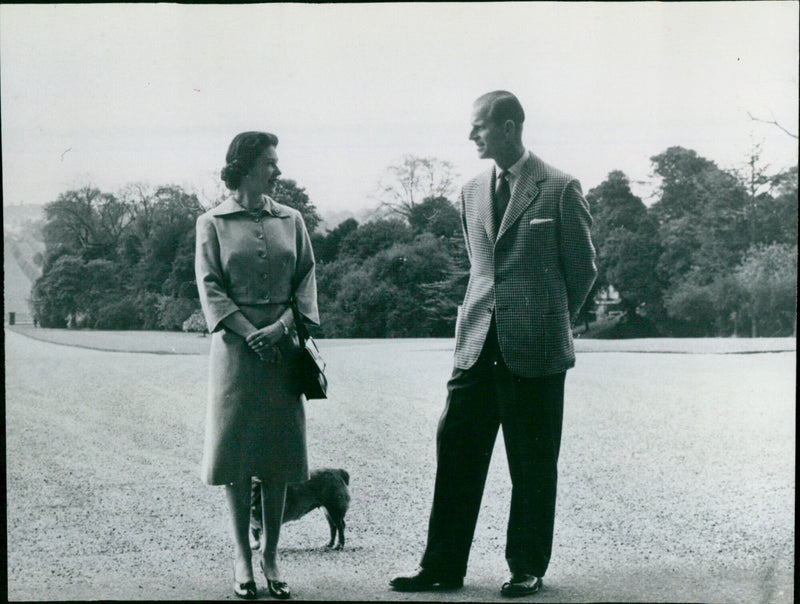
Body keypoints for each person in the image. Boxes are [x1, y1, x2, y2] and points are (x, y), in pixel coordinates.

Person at [390, 91, 597, 597]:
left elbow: (583, 270)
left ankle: (526, 566)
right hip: (478, 343)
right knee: (456, 451)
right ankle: (442, 566)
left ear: (509, 126)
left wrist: (549, 318)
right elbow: (482, 268)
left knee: (532, 461)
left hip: (538, 348)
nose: (471, 135)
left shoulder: (560, 187)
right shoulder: (469, 191)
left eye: (479, 126)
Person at [195, 131, 318, 600]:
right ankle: (242, 560)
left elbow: (306, 281)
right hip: (236, 354)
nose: (277, 169)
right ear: (245, 165)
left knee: (278, 458)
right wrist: (251, 333)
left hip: (283, 351)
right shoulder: (212, 222)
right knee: (238, 457)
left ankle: (271, 556)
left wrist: (283, 329)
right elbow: (210, 287)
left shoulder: (292, 219)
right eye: (270, 161)